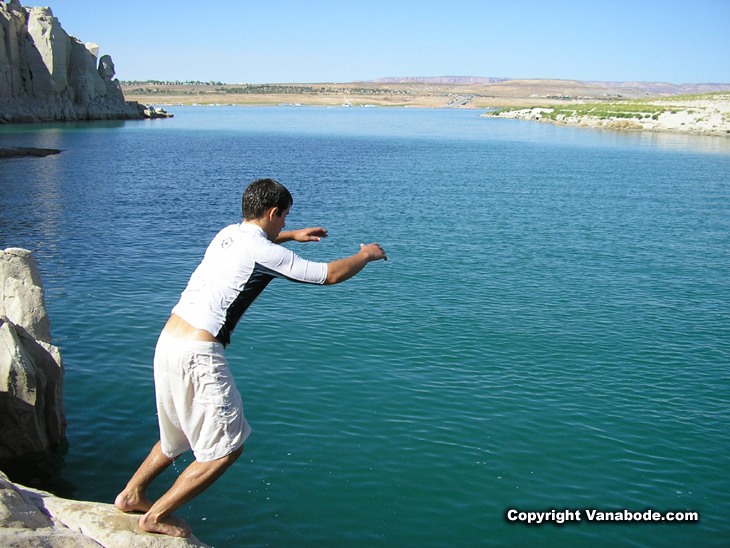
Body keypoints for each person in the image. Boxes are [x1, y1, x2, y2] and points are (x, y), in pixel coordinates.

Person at [114, 178, 387, 537]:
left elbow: (260, 243)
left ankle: (132, 494)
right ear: (273, 212)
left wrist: (292, 236)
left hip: (168, 343)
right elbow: (330, 275)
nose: (285, 225)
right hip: (199, 352)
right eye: (285, 218)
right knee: (226, 448)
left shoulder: (227, 234)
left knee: (177, 435)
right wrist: (366, 255)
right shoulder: (265, 251)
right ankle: (156, 516)